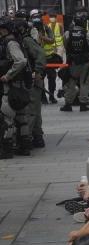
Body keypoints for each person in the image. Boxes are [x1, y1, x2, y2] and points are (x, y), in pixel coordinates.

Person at [0, 17, 30, 159]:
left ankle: (6, 149)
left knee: (8, 117)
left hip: (11, 87)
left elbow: (21, 61)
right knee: (21, 117)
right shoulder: (15, 40)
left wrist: (8, 75)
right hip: (20, 86)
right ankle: (24, 147)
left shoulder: (10, 42)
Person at [17, 18, 44, 149]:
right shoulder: (24, 40)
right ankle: (37, 137)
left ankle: (27, 138)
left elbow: (40, 54)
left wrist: (37, 71)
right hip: (32, 78)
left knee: (31, 111)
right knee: (35, 110)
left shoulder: (26, 40)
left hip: (32, 79)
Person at [61, 10, 89, 112]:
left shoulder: (68, 33)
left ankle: (68, 104)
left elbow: (65, 44)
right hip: (85, 63)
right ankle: (83, 105)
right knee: (84, 82)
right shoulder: (87, 34)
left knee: (70, 82)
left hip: (72, 62)